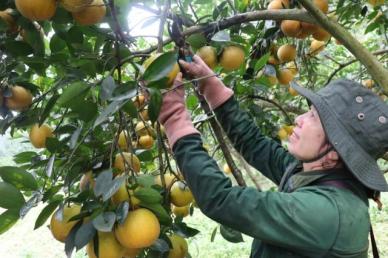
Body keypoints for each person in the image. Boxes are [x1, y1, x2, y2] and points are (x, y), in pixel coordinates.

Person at [157, 55, 388, 258]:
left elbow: (221, 199)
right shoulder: (313, 173)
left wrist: (175, 118)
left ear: (337, 151)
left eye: (314, 117)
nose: (299, 119)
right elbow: (255, 145)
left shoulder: (328, 214)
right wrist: (211, 86)